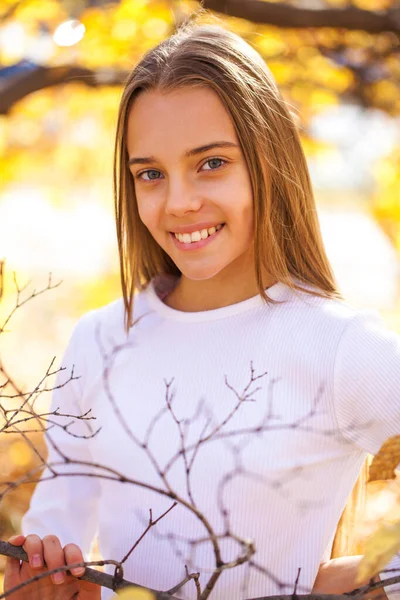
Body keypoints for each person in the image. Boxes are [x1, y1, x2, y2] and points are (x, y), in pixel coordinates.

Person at [4, 13, 400, 600]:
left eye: (211, 163)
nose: (179, 202)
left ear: (270, 161)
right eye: (151, 174)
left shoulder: (338, 345)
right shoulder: (100, 339)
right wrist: (43, 587)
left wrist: (361, 578)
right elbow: (52, 543)